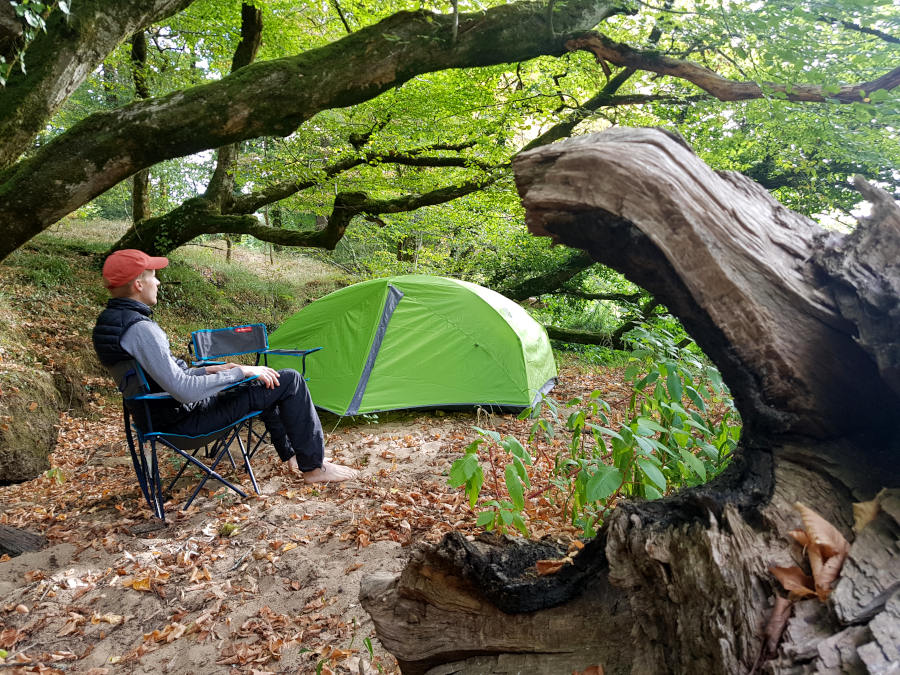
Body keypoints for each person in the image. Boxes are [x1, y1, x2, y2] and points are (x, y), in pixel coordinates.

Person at [92, 249, 357, 483]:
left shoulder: (112, 324)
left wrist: (210, 370)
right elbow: (184, 390)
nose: (158, 281)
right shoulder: (141, 330)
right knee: (289, 379)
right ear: (138, 284)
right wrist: (239, 371)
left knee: (265, 381)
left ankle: (294, 455)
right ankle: (314, 468)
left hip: (158, 418)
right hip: (187, 422)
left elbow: (164, 378)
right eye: (153, 276)